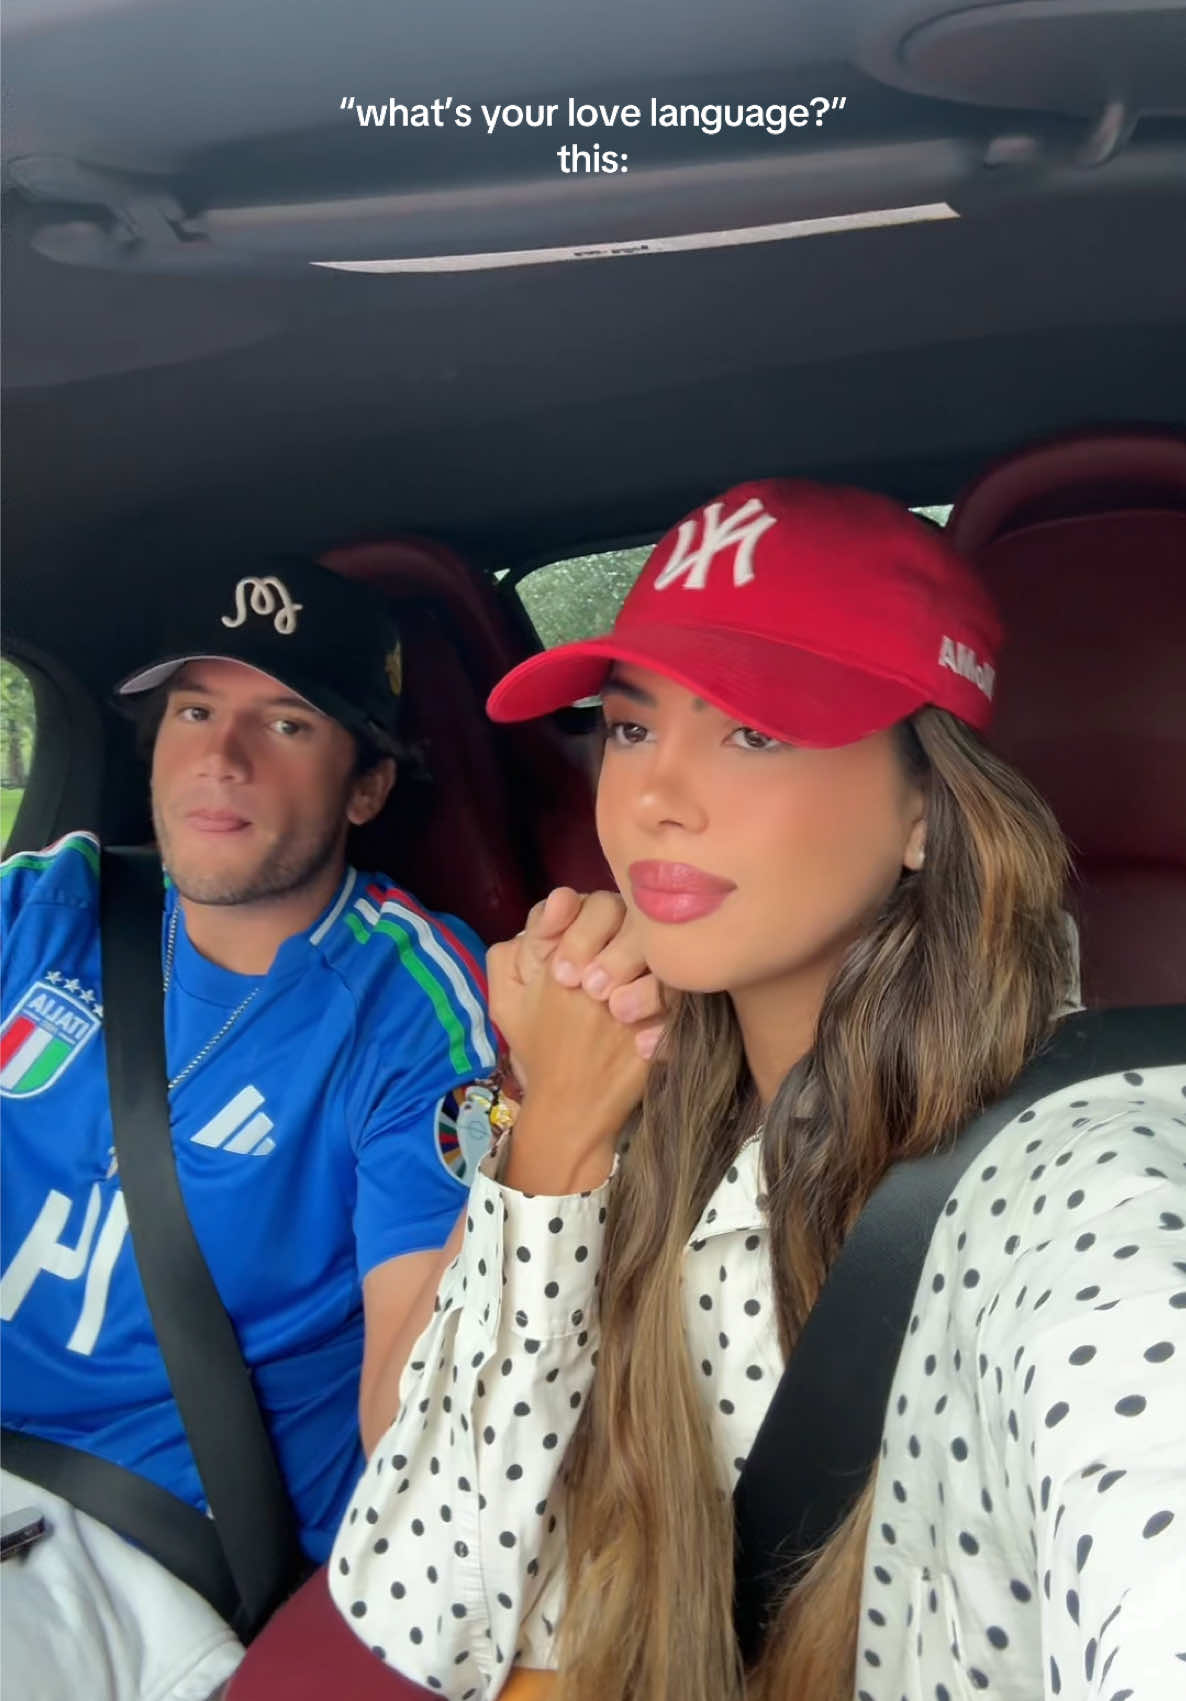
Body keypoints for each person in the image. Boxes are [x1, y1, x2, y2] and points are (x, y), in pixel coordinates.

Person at [328, 481, 1186, 1701]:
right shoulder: (633, 1099)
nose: (653, 799)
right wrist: (550, 1131)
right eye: (630, 729)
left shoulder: (1087, 1193)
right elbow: (426, 1601)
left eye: (754, 732)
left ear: (927, 811)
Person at [0, 555, 659, 1701]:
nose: (221, 756)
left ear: (366, 788)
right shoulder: (41, 906)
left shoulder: (416, 1012)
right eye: (194, 710)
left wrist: (555, 1119)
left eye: (286, 722)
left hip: (131, 1567)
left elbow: (415, 1421)